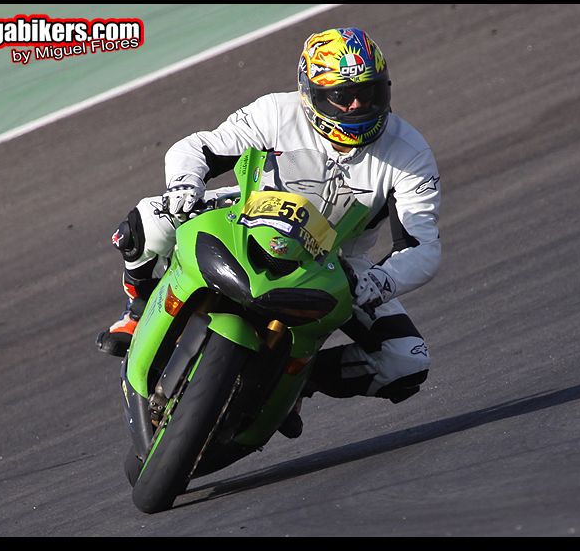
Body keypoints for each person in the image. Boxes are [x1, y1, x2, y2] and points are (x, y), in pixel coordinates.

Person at [96, 27, 441, 438]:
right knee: (145, 222)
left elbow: (422, 246)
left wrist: (376, 282)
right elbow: (197, 147)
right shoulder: (278, 112)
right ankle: (136, 313)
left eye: (369, 93)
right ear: (309, 91)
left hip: (336, 263)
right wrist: (185, 186)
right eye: (341, 96)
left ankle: (299, 379)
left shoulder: (410, 153)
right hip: (246, 218)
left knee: (407, 361)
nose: (356, 105)